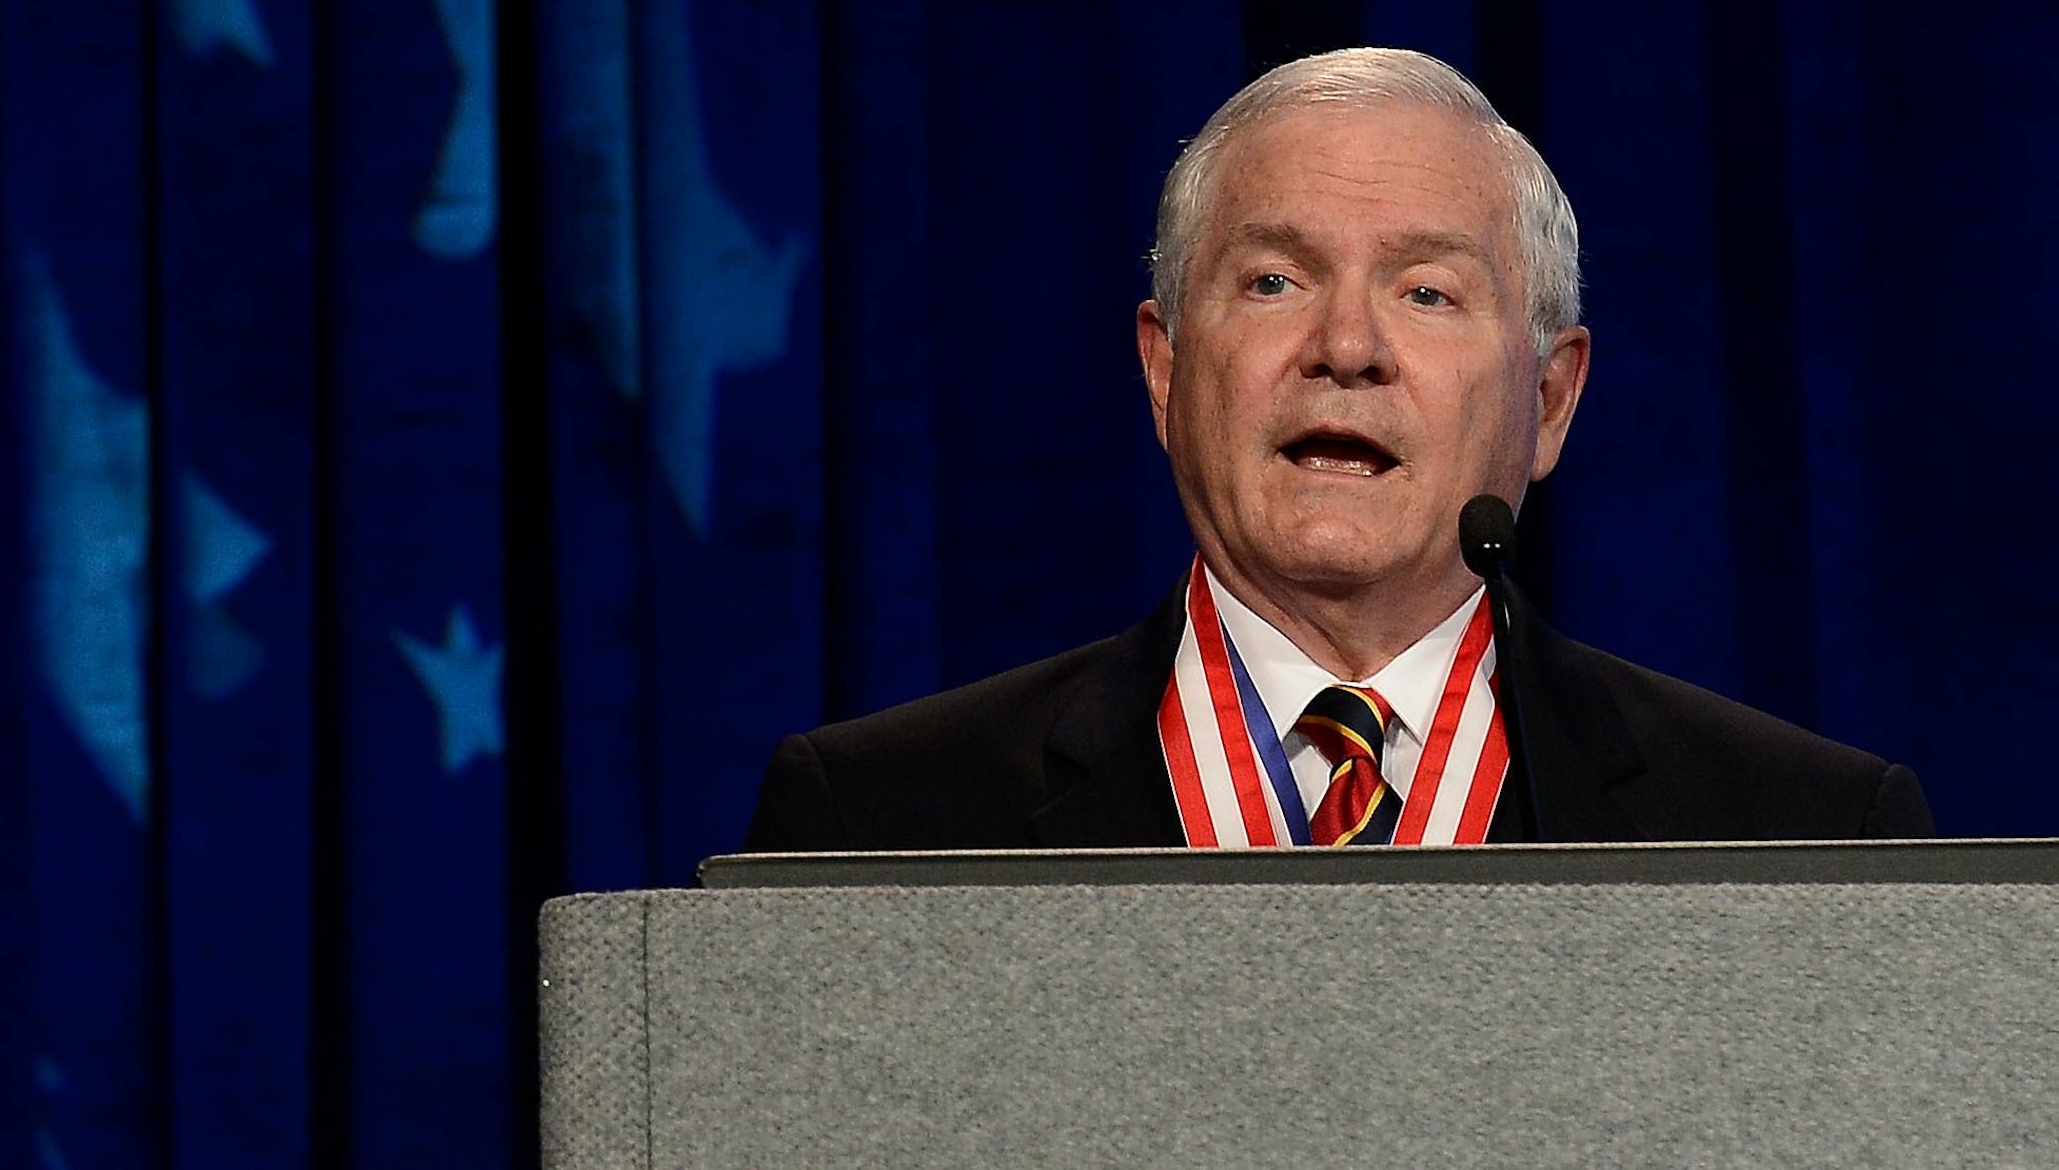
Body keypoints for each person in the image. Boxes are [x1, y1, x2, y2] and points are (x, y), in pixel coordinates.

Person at [745, 48, 1934, 852]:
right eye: (1274, 281)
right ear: (1164, 370)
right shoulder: (879, 821)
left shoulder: (1800, 834)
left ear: (1553, 399)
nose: (1347, 346)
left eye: (1426, 292)